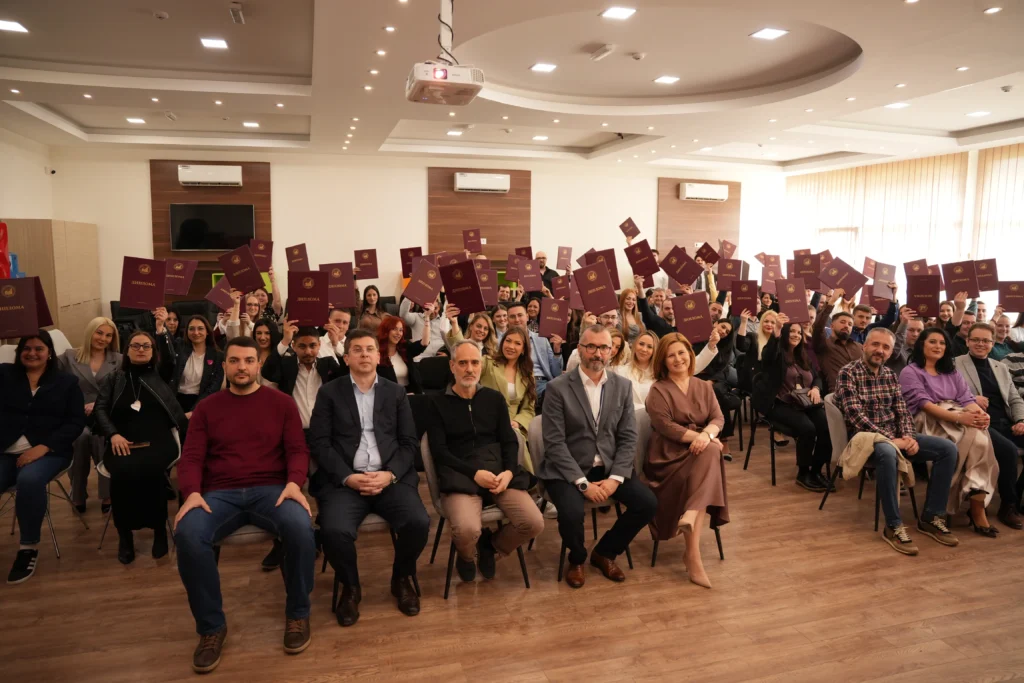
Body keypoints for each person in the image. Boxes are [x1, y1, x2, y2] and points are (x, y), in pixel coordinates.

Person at [173, 337, 315, 673]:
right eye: (235, 361)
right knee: (188, 534)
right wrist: (191, 492)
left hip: (272, 490)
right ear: (224, 366)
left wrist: (294, 483)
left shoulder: (281, 403)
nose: (242, 367)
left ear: (258, 365)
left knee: (300, 528)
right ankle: (211, 628)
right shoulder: (207, 408)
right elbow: (191, 457)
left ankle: (298, 613)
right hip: (219, 493)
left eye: (249, 361)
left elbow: (298, 450)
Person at [308, 330, 430, 627]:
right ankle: (350, 587)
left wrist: (390, 474)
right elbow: (320, 443)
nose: (364, 354)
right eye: (357, 349)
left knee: (418, 522)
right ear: (346, 357)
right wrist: (347, 477)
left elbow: (408, 442)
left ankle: (401, 578)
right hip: (346, 482)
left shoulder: (395, 392)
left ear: (378, 356)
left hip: (390, 478)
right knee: (334, 531)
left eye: (369, 349)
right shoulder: (329, 392)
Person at [537, 325, 657, 588]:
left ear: (612, 351)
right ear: (580, 349)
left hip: (609, 467)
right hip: (568, 468)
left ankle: (605, 552)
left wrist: (615, 479)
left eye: (604, 347)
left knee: (647, 504)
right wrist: (583, 484)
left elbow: (628, 437)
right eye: (591, 346)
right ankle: (577, 558)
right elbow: (554, 444)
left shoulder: (622, 386)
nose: (597, 353)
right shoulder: (557, 388)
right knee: (571, 512)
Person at [834, 328, 960, 555]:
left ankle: (931, 516)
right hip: (865, 439)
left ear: (891, 352)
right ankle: (892, 526)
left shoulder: (891, 375)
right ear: (864, 345)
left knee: (948, 449)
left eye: (886, 347)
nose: (880, 351)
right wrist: (892, 440)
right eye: (875, 344)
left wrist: (909, 437)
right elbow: (855, 416)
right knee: (887, 452)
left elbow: (902, 412)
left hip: (896, 437)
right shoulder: (848, 373)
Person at [427, 340, 543, 582]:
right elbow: (439, 451)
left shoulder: (494, 399)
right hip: (460, 475)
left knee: (533, 522)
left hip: (498, 473)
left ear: (481, 365)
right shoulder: (436, 403)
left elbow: (509, 441)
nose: (469, 369)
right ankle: (466, 556)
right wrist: (474, 473)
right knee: (467, 530)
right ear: (452, 366)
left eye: (474, 362)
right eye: (463, 363)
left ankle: (491, 546)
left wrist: (509, 472)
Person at [93, 330, 188, 564]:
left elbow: (170, 358)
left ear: (153, 351)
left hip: (158, 440)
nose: (141, 350)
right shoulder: (114, 378)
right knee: (122, 472)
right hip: (122, 440)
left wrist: (161, 330)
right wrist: (113, 434)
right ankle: (125, 536)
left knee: (151, 469)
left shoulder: (162, 374)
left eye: (146, 346)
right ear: (127, 350)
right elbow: (100, 409)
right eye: (135, 345)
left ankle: (159, 531)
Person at [643, 332, 729, 589]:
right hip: (667, 457)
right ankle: (691, 550)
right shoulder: (658, 390)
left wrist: (707, 435)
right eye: (671, 355)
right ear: (663, 361)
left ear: (690, 356)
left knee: (709, 454)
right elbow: (665, 426)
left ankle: (692, 548)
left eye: (682, 353)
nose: (678, 359)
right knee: (712, 453)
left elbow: (718, 418)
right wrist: (704, 438)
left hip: (699, 452)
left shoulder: (703, 386)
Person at [0, 330, 86, 584]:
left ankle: (28, 548)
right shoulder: (4, 375)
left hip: (50, 452)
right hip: (5, 451)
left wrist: (44, 447)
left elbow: (75, 422)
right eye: (27, 348)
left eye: (39, 349)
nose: (32, 353)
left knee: (29, 480)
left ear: (49, 353)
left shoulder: (66, 382)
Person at [900, 327, 1000, 535]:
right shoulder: (910, 371)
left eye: (942, 343)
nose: (938, 346)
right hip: (928, 420)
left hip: (958, 417)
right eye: (933, 342)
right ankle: (974, 505)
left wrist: (981, 415)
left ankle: (972, 501)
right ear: (922, 344)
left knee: (980, 437)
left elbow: (966, 399)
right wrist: (960, 418)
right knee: (976, 441)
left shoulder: (952, 371)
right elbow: (924, 405)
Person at [955, 322, 1024, 529]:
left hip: (1007, 422)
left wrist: (1020, 420)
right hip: (979, 425)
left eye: (986, 340)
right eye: (976, 339)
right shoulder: (955, 365)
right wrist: (970, 399)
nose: (981, 344)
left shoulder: (1000, 367)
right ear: (967, 341)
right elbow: (947, 396)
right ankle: (1008, 505)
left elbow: (1014, 399)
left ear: (992, 344)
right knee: (1009, 451)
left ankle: (1016, 494)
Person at [752, 320, 832, 491]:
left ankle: (816, 471)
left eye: (799, 332)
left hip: (805, 402)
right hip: (780, 403)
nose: (796, 335)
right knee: (808, 429)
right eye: (792, 331)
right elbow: (767, 355)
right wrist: (776, 333)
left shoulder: (803, 355)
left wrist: (816, 388)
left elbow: (817, 377)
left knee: (827, 428)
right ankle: (803, 473)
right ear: (784, 334)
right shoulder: (776, 354)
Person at [59, 316, 121, 513]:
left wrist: (99, 404)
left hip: (105, 414)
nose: (103, 338)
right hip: (75, 415)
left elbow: (122, 391)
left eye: (108, 335)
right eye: (99, 333)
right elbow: (52, 379)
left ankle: (107, 494)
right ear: (90, 333)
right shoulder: (69, 356)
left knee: (101, 438)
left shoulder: (118, 359)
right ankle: (77, 494)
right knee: (79, 438)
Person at [159, 314, 223, 417]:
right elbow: (166, 350)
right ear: (187, 332)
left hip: (201, 402)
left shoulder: (217, 356)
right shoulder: (179, 346)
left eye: (200, 329)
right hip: (175, 400)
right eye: (191, 329)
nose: (196, 332)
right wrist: (160, 325)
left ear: (207, 331)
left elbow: (213, 388)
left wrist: (194, 412)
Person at [505, 301, 562, 397]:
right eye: (512, 316)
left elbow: (556, 373)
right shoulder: (503, 342)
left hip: (541, 383)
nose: (517, 320)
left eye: (520, 315)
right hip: (517, 382)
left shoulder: (542, 339)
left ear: (527, 317)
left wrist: (557, 351)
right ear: (507, 320)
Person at [812, 288, 863, 392]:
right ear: (832, 326)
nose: (846, 326)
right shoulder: (824, 345)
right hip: (837, 395)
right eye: (842, 322)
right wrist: (832, 301)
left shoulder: (859, 347)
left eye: (850, 324)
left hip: (863, 395)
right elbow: (818, 327)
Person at [610, 330, 659, 408]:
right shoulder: (619, 371)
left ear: (655, 350)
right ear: (635, 345)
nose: (644, 349)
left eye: (649, 347)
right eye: (641, 344)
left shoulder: (660, 374)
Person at [377, 314, 422, 390]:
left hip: (409, 392)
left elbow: (424, 344)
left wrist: (427, 319)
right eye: (394, 329)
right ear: (386, 331)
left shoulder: (404, 349)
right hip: (389, 394)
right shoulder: (377, 354)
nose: (398, 333)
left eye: (401, 330)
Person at [945, 292, 975, 357]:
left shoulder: (977, 344)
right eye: (965, 323)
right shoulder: (950, 341)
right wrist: (960, 309)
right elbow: (952, 327)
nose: (970, 326)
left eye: (973, 323)